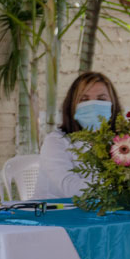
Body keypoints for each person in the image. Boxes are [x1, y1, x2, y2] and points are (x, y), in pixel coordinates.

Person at [34, 71, 123, 199]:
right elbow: (69, 188)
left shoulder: (123, 143)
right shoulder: (56, 141)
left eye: (101, 99)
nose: (92, 106)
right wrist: (117, 186)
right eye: (84, 99)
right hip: (56, 209)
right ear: (72, 105)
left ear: (113, 105)